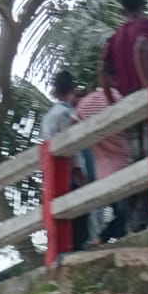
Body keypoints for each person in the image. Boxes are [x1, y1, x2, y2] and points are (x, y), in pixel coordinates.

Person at [99, 0, 148, 233]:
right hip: (146, 102)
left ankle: (137, 219)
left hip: (127, 105)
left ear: (123, 8)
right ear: (143, 6)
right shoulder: (146, 27)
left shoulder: (115, 37)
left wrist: (112, 102)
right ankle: (147, 217)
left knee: (138, 161)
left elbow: (102, 71)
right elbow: (142, 48)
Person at [41, 70, 91, 252]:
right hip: (71, 175)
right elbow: (74, 149)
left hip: (53, 177)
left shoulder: (48, 118)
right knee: (79, 225)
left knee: (60, 222)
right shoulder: (70, 115)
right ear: (73, 89)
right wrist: (81, 176)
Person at [75, 84, 133, 242]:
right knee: (127, 213)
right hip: (124, 164)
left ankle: (102, 239)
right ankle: (102, 238)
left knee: (121, 212)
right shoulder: (113, 93)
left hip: (103, 172)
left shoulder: (81, 109)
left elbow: (73, 129)